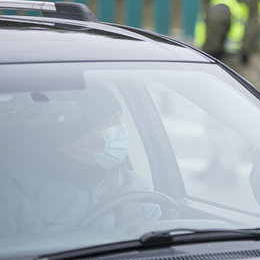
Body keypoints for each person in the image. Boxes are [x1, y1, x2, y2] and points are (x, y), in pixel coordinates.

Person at [0, 82, 160, 237]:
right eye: (111, 122)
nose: (122, 129)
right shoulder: (15, 192)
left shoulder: (134, 187)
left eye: (120, 120)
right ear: (76, 134)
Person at [194, 0, 246, 73]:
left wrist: (204, 57)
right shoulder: (230, 1)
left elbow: (213, 42)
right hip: (229, 60)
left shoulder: (219, 7)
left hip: (220, 62)